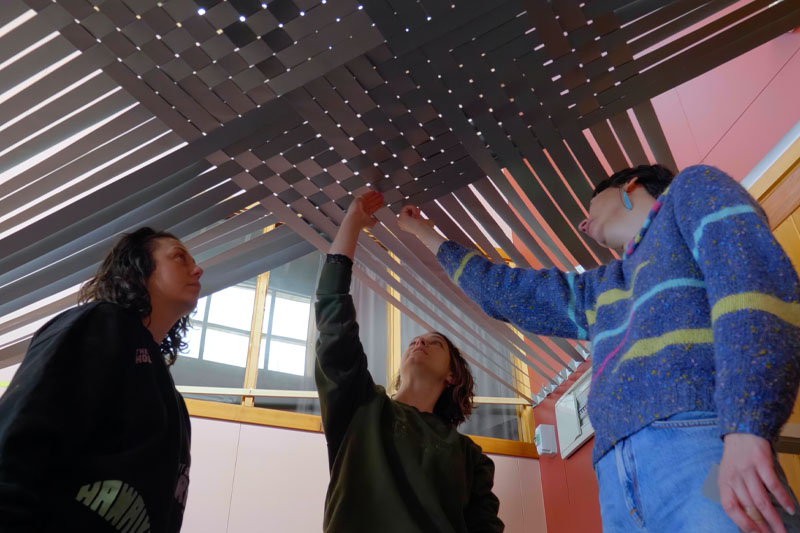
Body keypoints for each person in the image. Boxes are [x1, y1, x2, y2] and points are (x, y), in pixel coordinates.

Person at [399, 164, 800, 533]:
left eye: (591, 205)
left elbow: (753, 285)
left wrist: (748, 425)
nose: (582, 222)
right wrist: (427, 236)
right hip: (613, 485)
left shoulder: (689, 191)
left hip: (698, 445)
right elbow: (509, 293)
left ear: (631, 187)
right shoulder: (601, 286)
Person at [315, 190, 504, 532]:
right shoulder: (361, 407)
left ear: (452, 376)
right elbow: (334, 319)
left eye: (435, 344)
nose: (419, 342)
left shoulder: (470, 457)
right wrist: (352, 223)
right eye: (416, 340)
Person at [0, 227, 202, 532]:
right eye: (179, 257)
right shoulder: (100, 324)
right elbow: (19, 437)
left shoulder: (173, 402)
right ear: (138, 267)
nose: (197, 269)